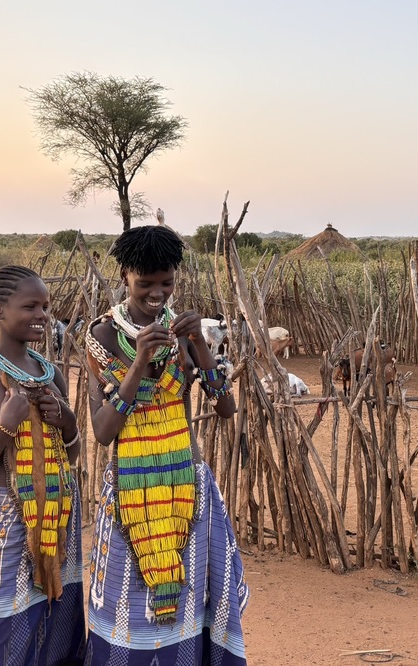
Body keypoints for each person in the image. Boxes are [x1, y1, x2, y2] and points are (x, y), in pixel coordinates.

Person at [83, 226, 249, 664]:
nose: (157, 293)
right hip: (129, 494)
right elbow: (102, 431)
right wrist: (138, 362)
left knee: (188, 604)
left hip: (186, 490)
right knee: (127, 602)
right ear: (124, 276)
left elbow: (226, 407)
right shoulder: (102, 337)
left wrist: (198, 344)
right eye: (145, 283)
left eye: (167, 283)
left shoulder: (187, 334)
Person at [0, 265, 85, 665]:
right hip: (8, 519)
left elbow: (70, 456)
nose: (43, 315)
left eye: (46, 306)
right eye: (31, 306)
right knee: (6, 627)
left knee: (59, 623)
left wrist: (69, 421)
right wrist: (4, 430)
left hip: (60, 517)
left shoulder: (52, 374)